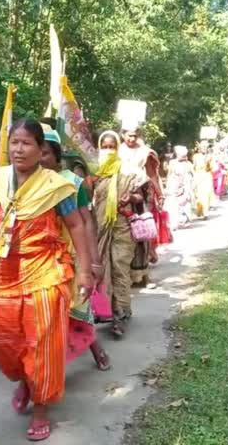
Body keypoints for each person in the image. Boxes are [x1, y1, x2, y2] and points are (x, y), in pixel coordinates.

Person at [0, 118, 94, 441]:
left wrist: (87, 270)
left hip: (46, 273)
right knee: (4, 343)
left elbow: (77, 226)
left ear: (40, 149)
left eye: (26, 144)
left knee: (42, 346)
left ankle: (40, 407)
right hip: (5, 274)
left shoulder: (55, 185)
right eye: (14, 143)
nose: (18, 149)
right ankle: (26, 379)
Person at [39, 126, 110, 372]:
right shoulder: (28, 184)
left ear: (57, 156)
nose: (40, 159)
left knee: (78, 309)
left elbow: (86, 222)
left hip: (71, 255)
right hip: (41, 259)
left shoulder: (74, 183)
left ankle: (96, 349)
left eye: (45, 153)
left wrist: (93, 262)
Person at [94, 130, 144, 338]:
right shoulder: (94, 172)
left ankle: (121, 313)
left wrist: (130, 197)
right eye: (104, 147)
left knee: (120, 269)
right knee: (102, 269)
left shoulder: (128, 171)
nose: (108, 151)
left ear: (117, 148)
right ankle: (105, 311)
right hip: (99, 228)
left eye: (111, 147)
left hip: (122, 228)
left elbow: (140, 197)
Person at [165, 145, 194, 229]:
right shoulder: (172, 162)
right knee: (172, 203)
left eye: (182, 156)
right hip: (174, 184)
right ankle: (174, 222)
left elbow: (191, 175)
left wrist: (186, 187)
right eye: (178, 155)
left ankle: (185, 219)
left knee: (185, 202)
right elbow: (169, 174)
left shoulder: (188, 164)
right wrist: (168, 186)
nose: (180, 157)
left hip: (185, 184)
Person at [192, 141, 214, 218]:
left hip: (207, 176)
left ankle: (205, 212)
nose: (204, 149)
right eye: (202, 147)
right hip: (198, 176)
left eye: (205, 147)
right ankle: (199, 210)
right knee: (198, 194)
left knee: (206, 194)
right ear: (200, 148)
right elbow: (193, 167)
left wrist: (208, 163)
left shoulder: (210, 156)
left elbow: (212, 168)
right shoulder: (195, 156)